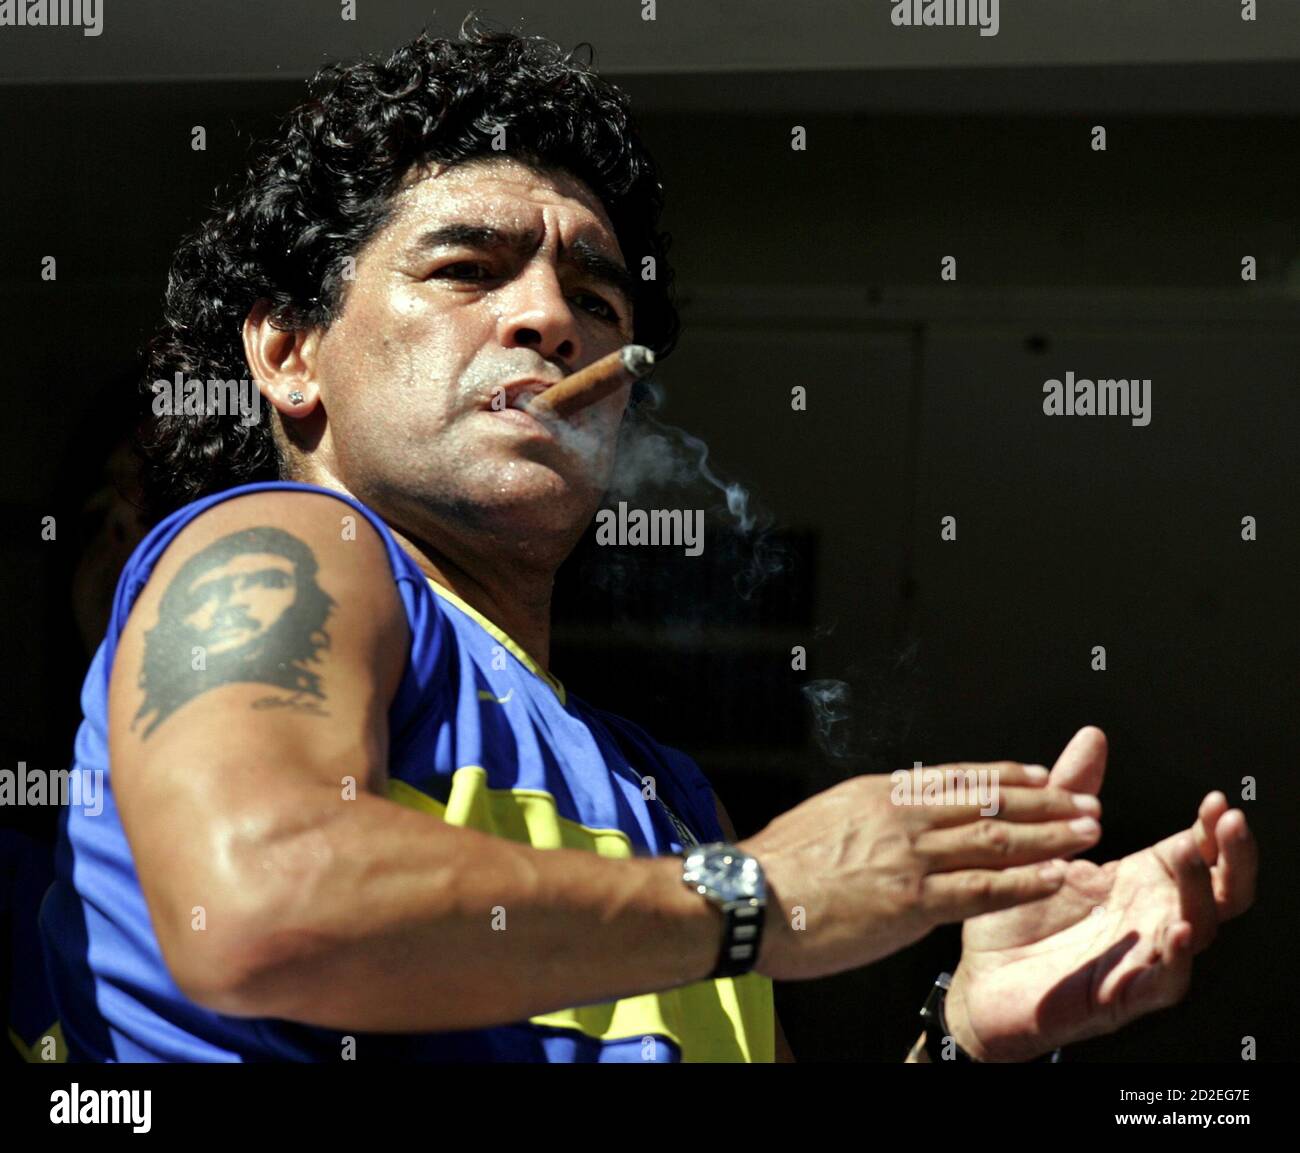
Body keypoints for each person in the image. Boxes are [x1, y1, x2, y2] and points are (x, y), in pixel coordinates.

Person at [38, 17, 1256, 1063]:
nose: (551, 319)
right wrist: (761, 896)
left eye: (598, 299)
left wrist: (967, 1036)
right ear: (287, 353)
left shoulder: (669, 801)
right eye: (468, 268)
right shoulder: (285, 548)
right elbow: (254, 900)